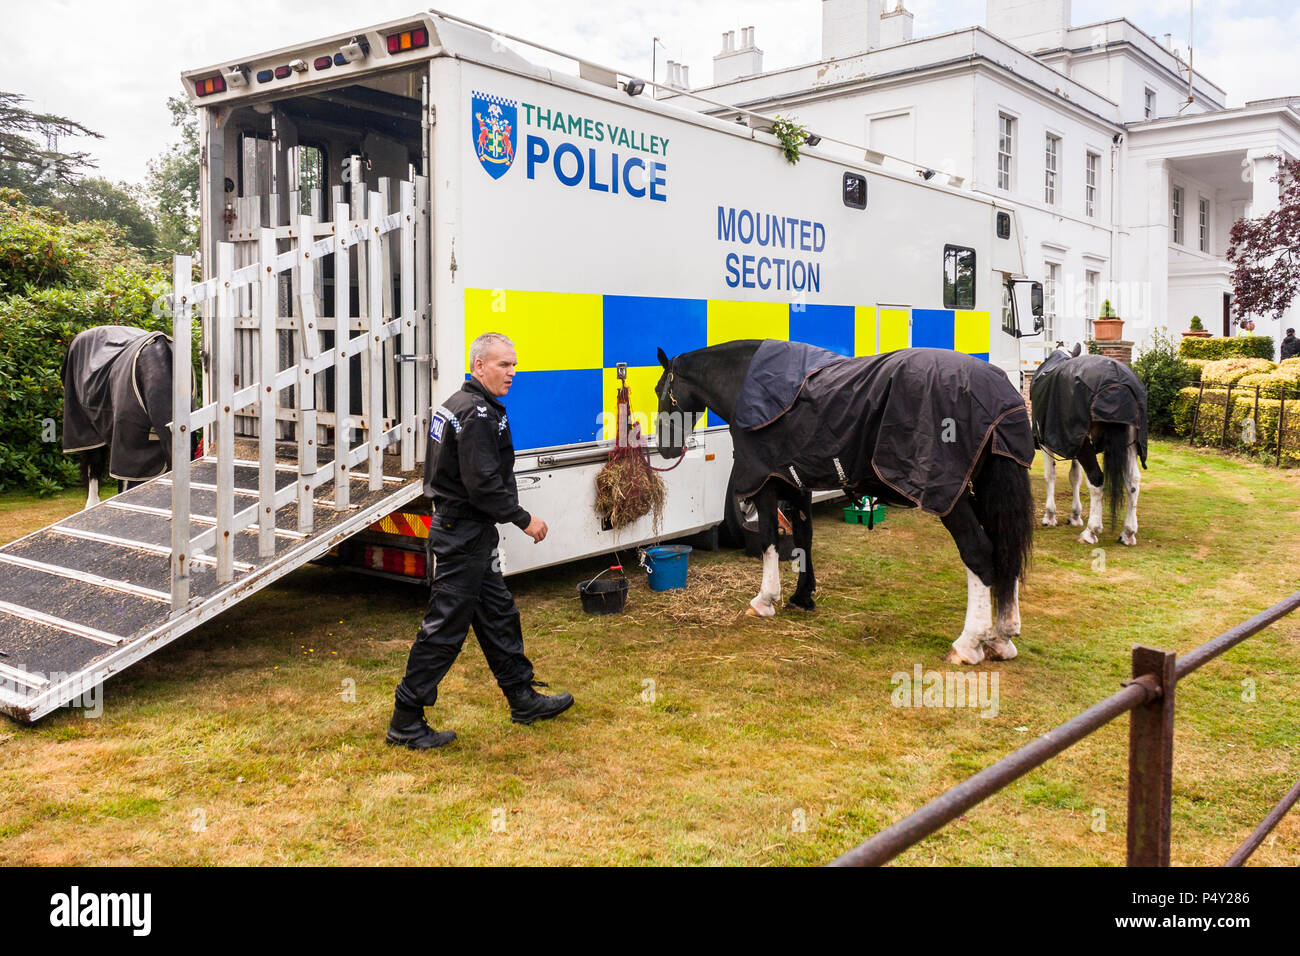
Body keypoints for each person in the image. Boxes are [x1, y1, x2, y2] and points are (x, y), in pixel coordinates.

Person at [386, 332, 573, 749]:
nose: (512, 373)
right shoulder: (476, 414)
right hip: (462, 536)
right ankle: (406, 720)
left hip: (469, 534)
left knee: (499, 614)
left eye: (514, 364)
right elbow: (483, 483)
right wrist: (525, 520)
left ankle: (522, 699)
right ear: (479, 366)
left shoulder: (458, 405)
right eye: (504, 364)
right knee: (444, 630)